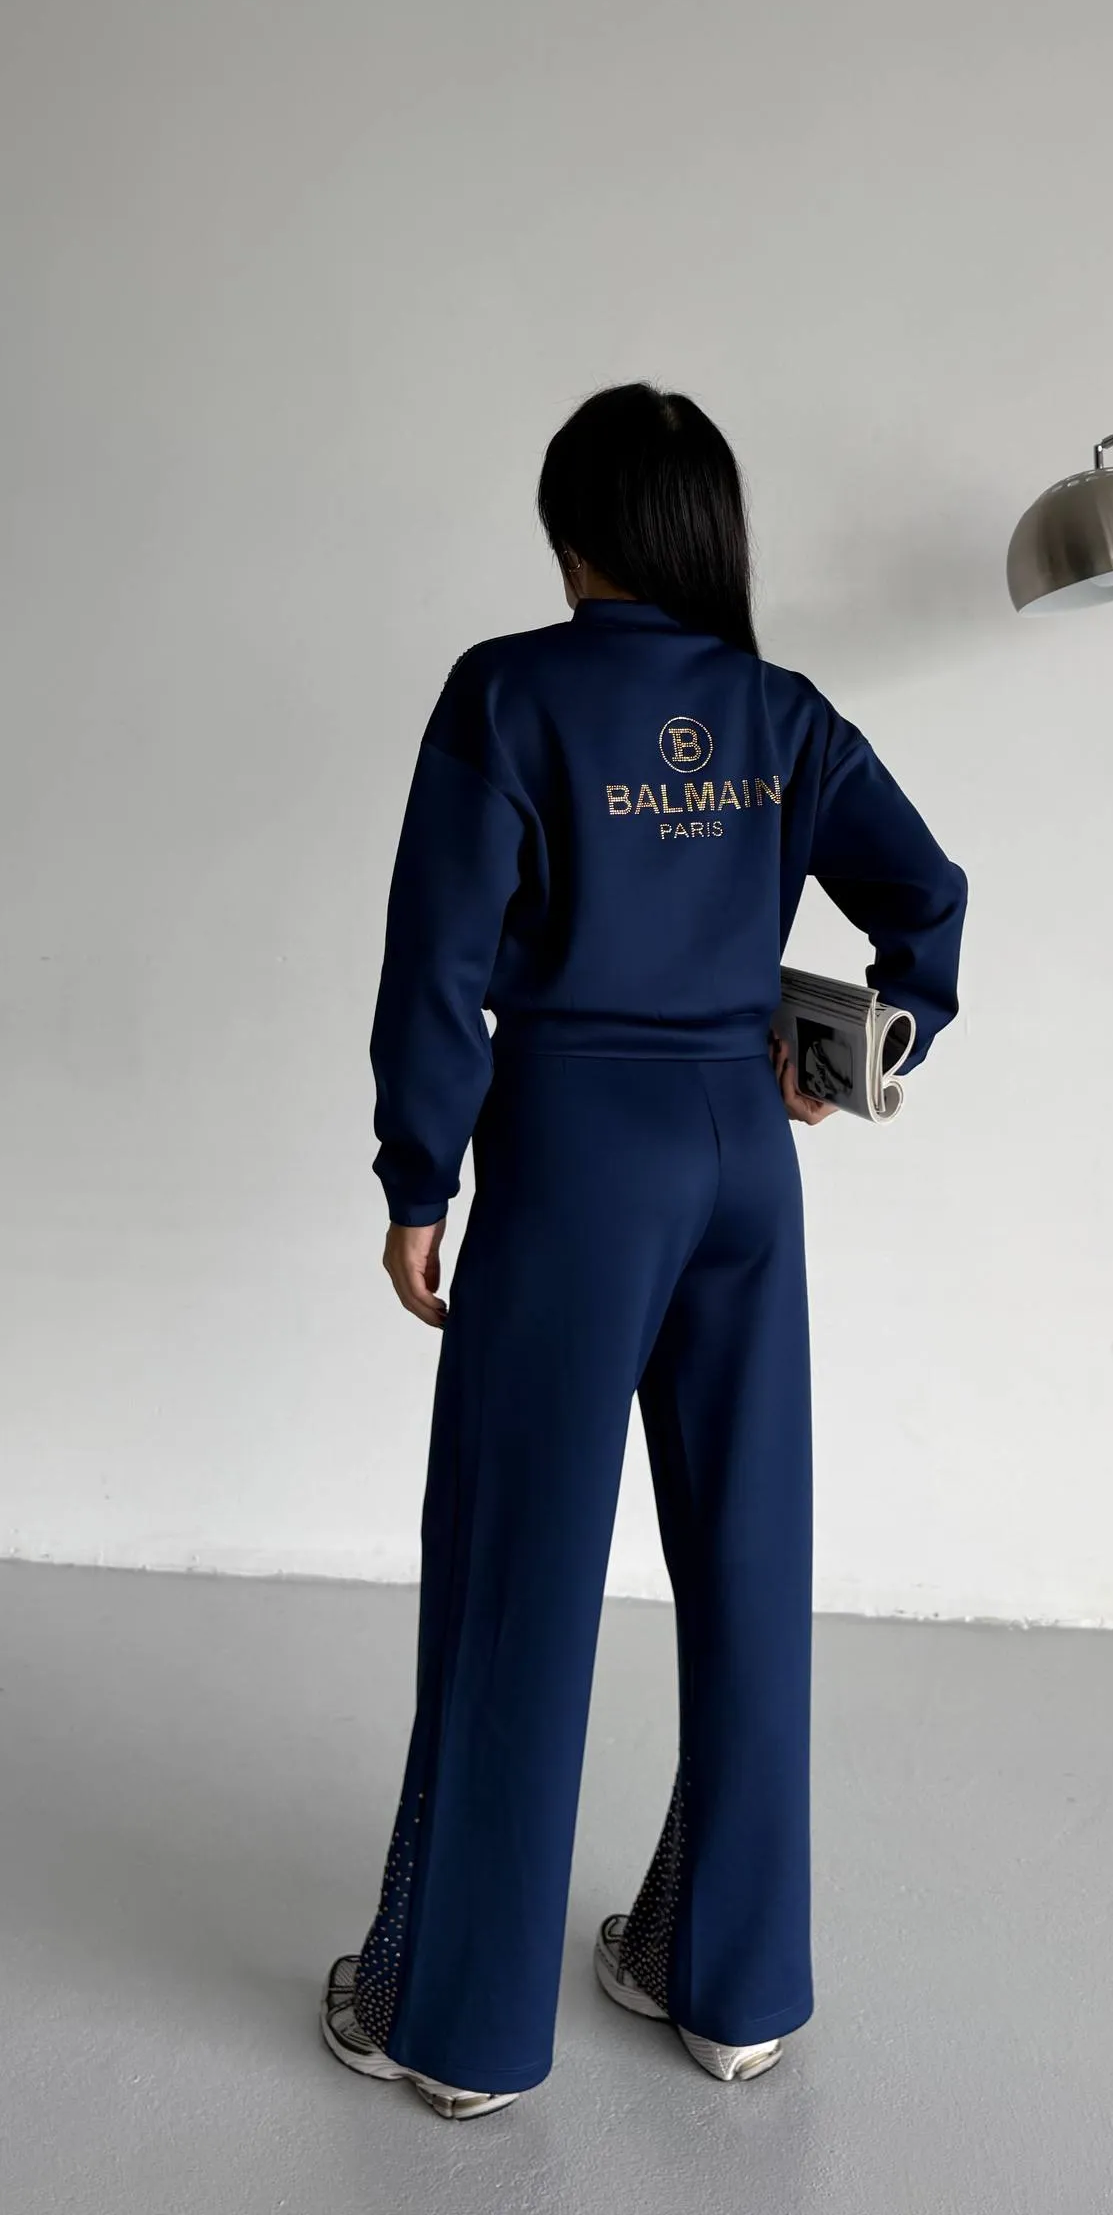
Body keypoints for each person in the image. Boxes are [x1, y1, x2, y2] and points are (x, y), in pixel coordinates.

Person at [320, 383, 968, 2119]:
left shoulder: (506, 693)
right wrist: (873, 1041)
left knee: (519, 1575)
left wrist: (416, 1178)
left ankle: (458, 2027)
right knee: (751, 1560)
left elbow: (435, 959)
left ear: (573, 535)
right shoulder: (780, 712)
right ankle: (730, 1987)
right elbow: (927, 896)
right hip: (746, 1164)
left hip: (575, 1166)